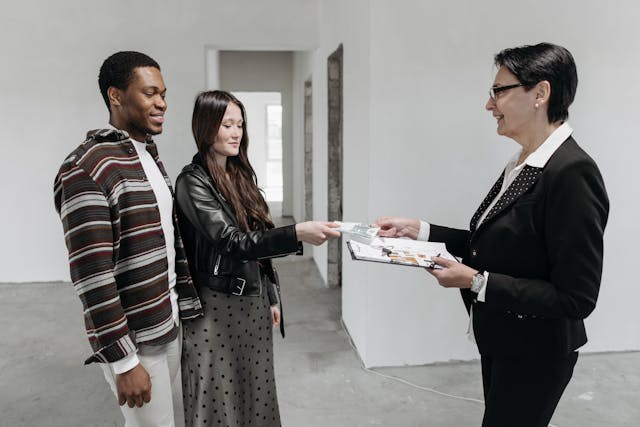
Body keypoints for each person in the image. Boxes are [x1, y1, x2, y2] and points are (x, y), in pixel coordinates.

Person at [376, 43, 609, 427]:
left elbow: (576, 297)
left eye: (499, 91)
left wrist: (476, 281)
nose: (490, 104)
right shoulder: (523, 163)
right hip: (505, 340)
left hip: (538, 352)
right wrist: (421, 230)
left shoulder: (572, 173)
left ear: (540, 93)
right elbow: (494, 243)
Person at [54, 51, 203, 427]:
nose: (162, 103)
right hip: (136, 341)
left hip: (168, 322)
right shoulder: (86, 168)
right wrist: (123, 360)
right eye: (150, 93)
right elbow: (92, 276)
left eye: (164, 93)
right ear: (116, 96)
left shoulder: (147, 156)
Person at [175, 90, 340, 427]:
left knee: (256, 394)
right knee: (218, 401)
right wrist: (296, 234)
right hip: (215, 309)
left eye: (240, 124)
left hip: (253, 304)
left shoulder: (240, 176)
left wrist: (272, 294)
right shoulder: (191, 183)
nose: (236, 132)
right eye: (227, 125)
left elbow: (258, 240)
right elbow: (233, 242)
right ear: (206, 127)